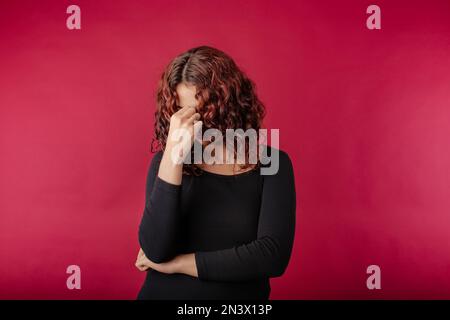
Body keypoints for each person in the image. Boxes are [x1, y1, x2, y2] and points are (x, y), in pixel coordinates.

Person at [135, 46, 296, 299]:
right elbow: (155, 250)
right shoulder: (165, 163)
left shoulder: (272, 164)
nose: (195, 126)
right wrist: (173, 156)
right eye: (184, 114)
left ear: (232, 104)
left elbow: (271, 256)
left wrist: (178, 265)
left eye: (205, 112)